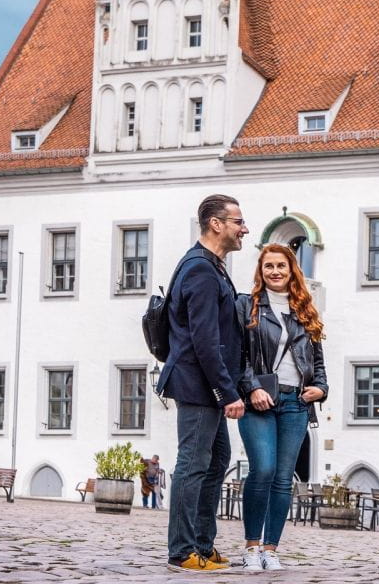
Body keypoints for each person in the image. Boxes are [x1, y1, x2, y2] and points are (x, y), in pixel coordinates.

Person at [157, 194, 249, 573]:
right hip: (197, 386)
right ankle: (182, 552)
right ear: (216, 224)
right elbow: (205, 341)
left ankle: (202, 545)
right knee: (193, 464)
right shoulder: (200, 269)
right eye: (238, 222)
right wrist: (227, 393)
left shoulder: (213, 266)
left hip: (203, 385)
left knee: (217, 460)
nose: (244, 229)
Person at [236, 244, 329, 572]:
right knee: (262, 469)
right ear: (261, 271)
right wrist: (253, 388)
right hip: (260, 401)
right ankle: (251, 547)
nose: (275, 271)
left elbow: (317, 361)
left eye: (281, 266)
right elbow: (238, 356)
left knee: (283, 479)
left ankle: (270, 549)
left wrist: (322, 388)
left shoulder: (305, 310)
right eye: (269, 266)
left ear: (292, 271)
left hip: (296, 403)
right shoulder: (247, 306)